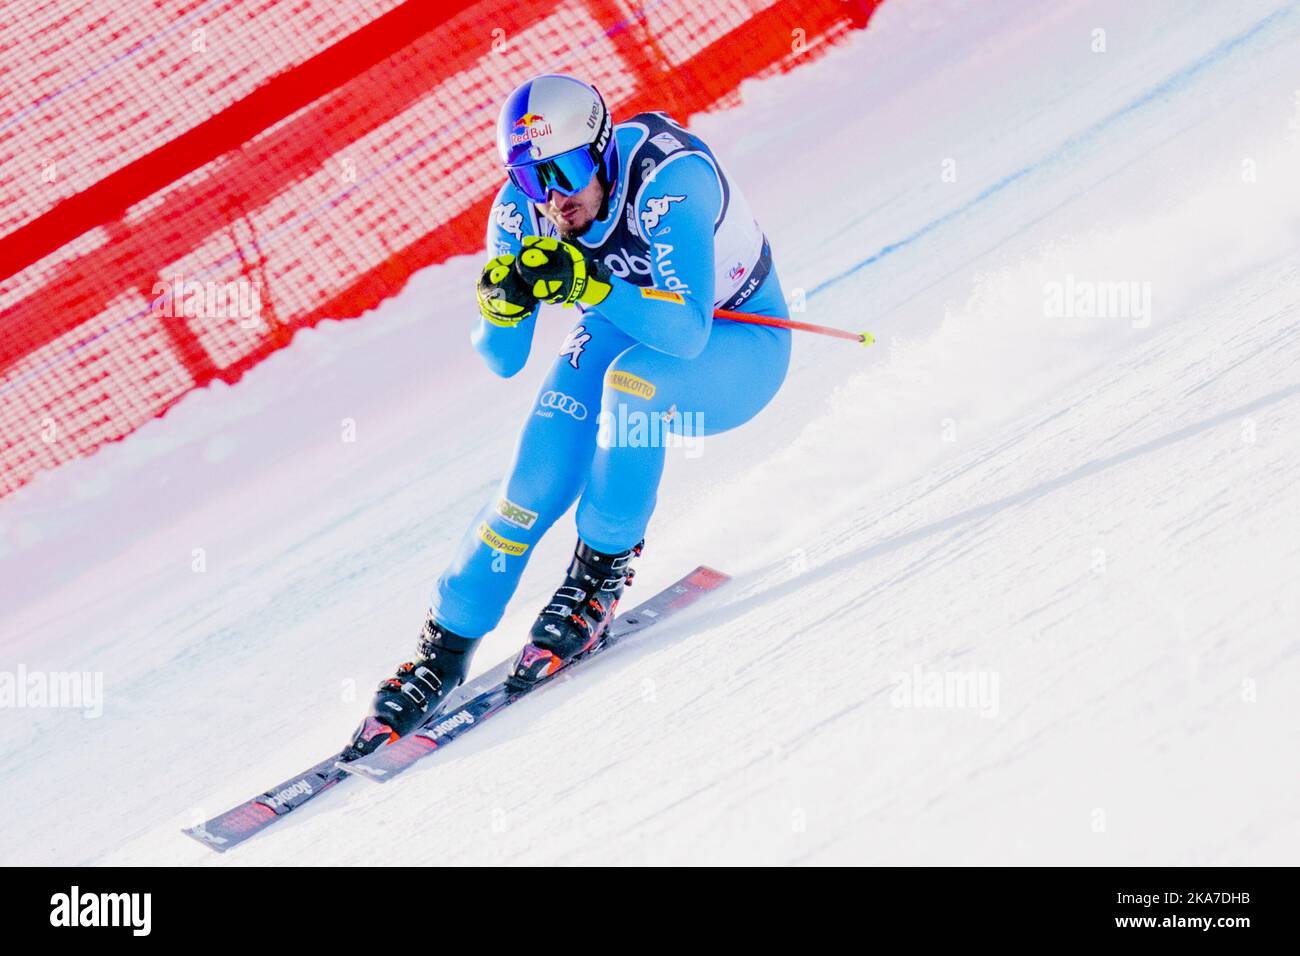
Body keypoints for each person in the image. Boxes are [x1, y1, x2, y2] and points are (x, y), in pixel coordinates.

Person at [351, 73, 791, 755]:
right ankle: (443, 649)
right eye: (531, 179)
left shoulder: (671, 179)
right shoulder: (518, 212)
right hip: (625, 327)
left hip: (737, 344)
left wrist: (586, 282)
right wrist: (500, 306)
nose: (553, 197)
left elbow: (686, 336)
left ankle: (595, 580)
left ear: (603, 148)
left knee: (634, 385)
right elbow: (501, 358)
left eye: (566, 169)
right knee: (535, 478)